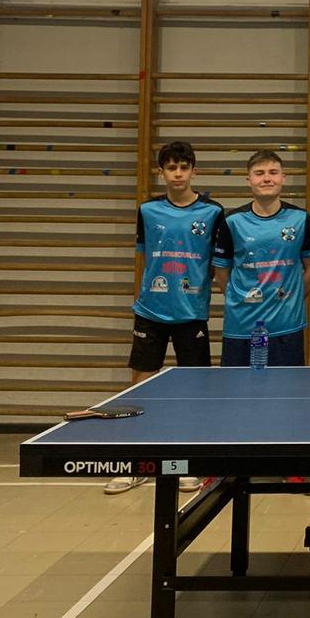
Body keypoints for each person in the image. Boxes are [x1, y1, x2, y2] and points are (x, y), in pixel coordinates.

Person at [108, 140, 224, 495]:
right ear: (161, 172)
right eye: (171, 167)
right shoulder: (147, 211)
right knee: (140, 389)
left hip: (191, 314)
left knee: (195, 393)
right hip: (151, 313)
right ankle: (136, 464)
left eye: (183, 167)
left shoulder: (213, 212)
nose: (177, 173)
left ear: (194, 171)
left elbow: (216, 264)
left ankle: (190, 463)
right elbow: (145, 258)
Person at [212, 150, 310, 368]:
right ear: (249, 180)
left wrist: (293, 299)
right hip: (241, 326)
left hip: (286, 327)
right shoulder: (232, 221)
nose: (267, 178)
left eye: (273, 172)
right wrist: (239, 299)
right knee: (236, 388)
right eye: (259, 173)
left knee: (286, 388)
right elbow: (221, 272)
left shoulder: (301, 219)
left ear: (283, 178)